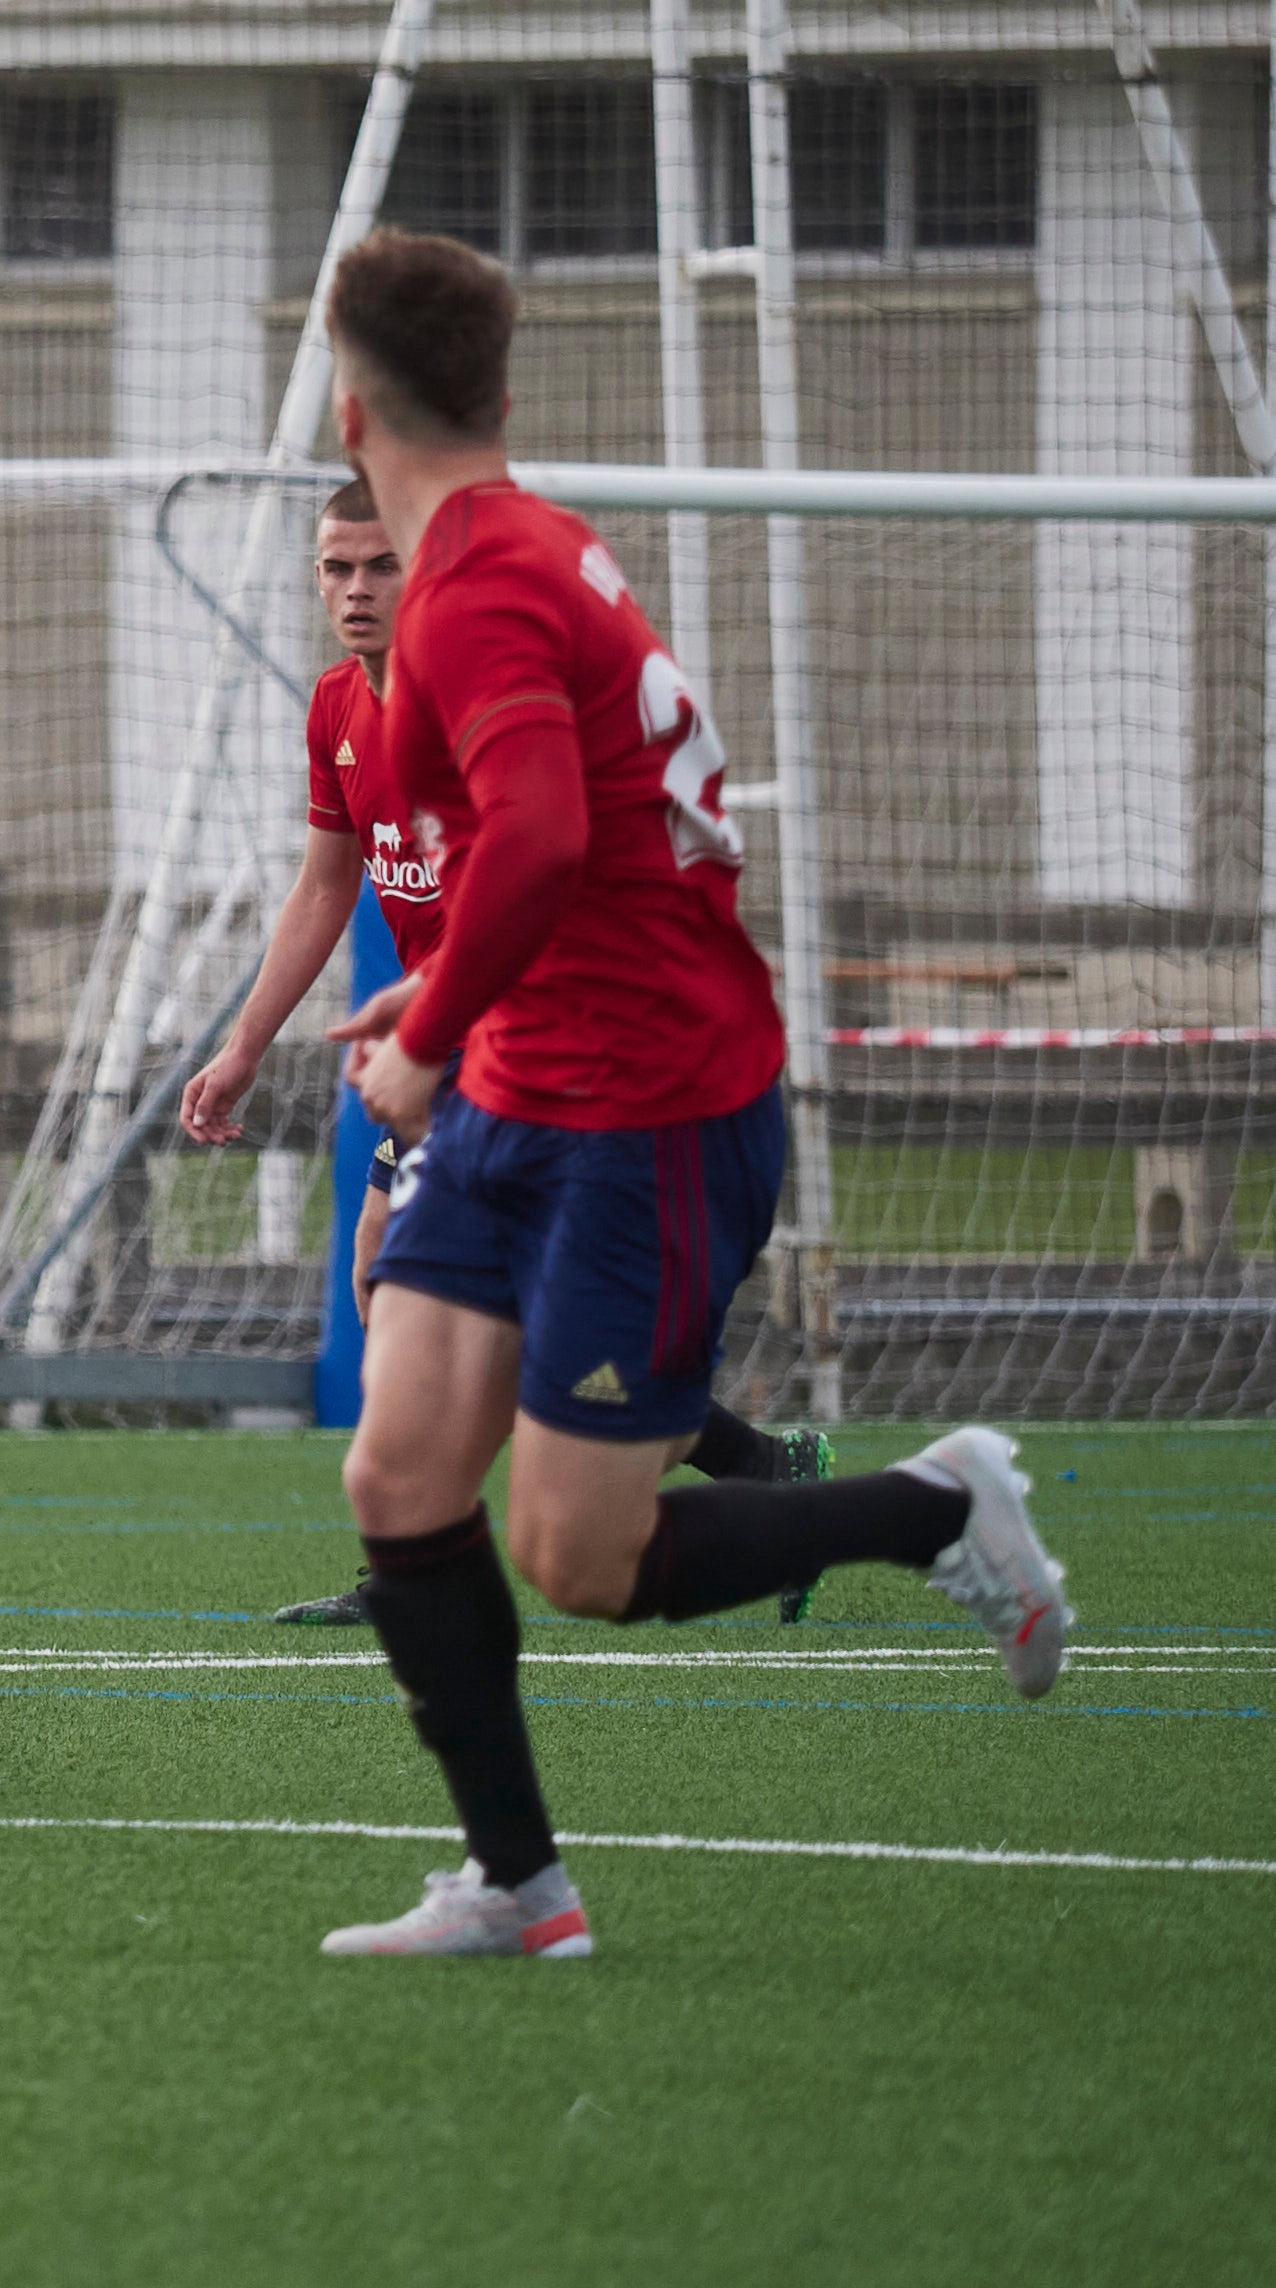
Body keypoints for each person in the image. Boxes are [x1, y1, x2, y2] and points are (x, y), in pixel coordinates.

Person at [311, 229, 1071, 1960]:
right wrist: (438, 1001)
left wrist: (422, 1037)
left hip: (647, 1106)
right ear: (493, 393)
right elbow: (572, 850)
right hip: (530, 1080)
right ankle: (517, 1884)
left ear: (348, 408)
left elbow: (547, 836)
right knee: (398, 1475)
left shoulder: (482, 581)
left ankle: (936, 1504)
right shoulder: (514, 546)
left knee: (576, 1555)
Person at [178, 480, 824, 1631]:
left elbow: (541, 878)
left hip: (535, 1046)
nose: (357, 589)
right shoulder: (336, 708)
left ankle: (427, 1565)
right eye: (337, 568)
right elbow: (326, 888)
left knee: (419, 1283)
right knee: (466, 1309)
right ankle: (765, 1473)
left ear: (420, 573)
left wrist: (438, 1022)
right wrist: (239, 1050)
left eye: (381, 565)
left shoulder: (469, 705)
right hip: (453, 1047)